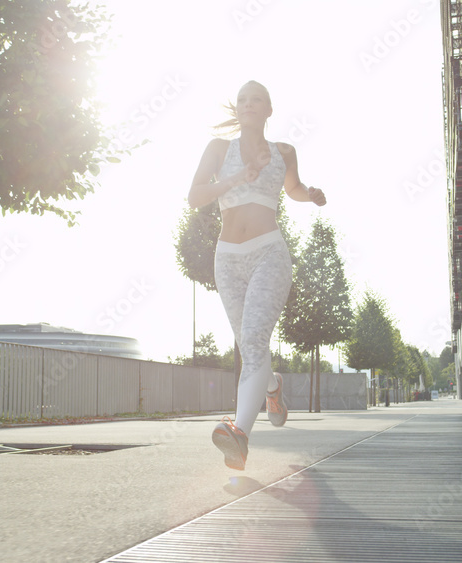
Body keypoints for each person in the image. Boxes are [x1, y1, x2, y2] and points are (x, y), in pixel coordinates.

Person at [187, 80, 326, 470]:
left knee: (252, 340)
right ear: (238, 109)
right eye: (243, 100)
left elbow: (292, 188)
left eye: (257, 100)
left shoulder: (284, 151)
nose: (249, 104)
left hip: (269, 252)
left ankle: (240, 434)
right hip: (227, 258)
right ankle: (273, 387)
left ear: (268, 109)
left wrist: (309, 194)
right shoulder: (218, 149)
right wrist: (236, 179)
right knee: (251, 347)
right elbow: (195, 195)